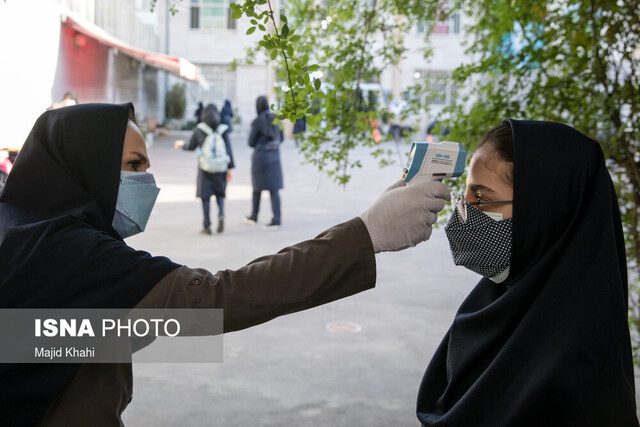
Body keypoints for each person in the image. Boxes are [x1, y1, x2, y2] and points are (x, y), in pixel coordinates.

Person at [0, 103, 450, 425]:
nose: (148, 181)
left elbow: (61, 337)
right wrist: (366, 233)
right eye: (133, 165)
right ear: (86, 166)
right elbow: (219, 300)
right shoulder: (71, 252)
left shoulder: (20, 231)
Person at [416, 120, 638, 425]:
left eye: (481, 198)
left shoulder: (586, 369)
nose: (462, 212)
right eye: (465, 195)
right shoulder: (491, 303)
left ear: (544, 212)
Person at [175, 103, 234, 234]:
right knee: (220, 194)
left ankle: (207, 225)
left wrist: (181, 144)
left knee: (205, 196)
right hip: (221, 168)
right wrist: (230, 168)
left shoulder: (199, 129)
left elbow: (191, 146)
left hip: (205, 168)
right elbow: (229, 150)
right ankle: (221, 215)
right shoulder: (223, 129)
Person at [244, 95, 284, 230]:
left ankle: (254, 216)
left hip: (260, 158)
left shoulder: (257, 122)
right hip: (275, 158)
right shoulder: (277, 120)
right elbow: (282, 138)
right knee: (274, 190)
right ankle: (277, 219)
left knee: (257, 188)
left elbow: (251, 142)